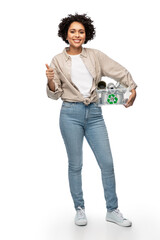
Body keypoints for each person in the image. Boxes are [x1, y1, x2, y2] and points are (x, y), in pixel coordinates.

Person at [45, 13, 137, 227]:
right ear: (65, 34)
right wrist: (50, 81)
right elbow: (55, 93)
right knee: (76, 165)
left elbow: (118, 70)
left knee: (107, 163)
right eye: (73, 31)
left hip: (94, 114)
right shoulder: (57, 60)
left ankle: (112, 210)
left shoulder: (95, 56)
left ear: (86, 34)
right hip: (70, 114)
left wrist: (133, 87)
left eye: (81, 31)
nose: (77, 35)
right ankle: (79, 209)